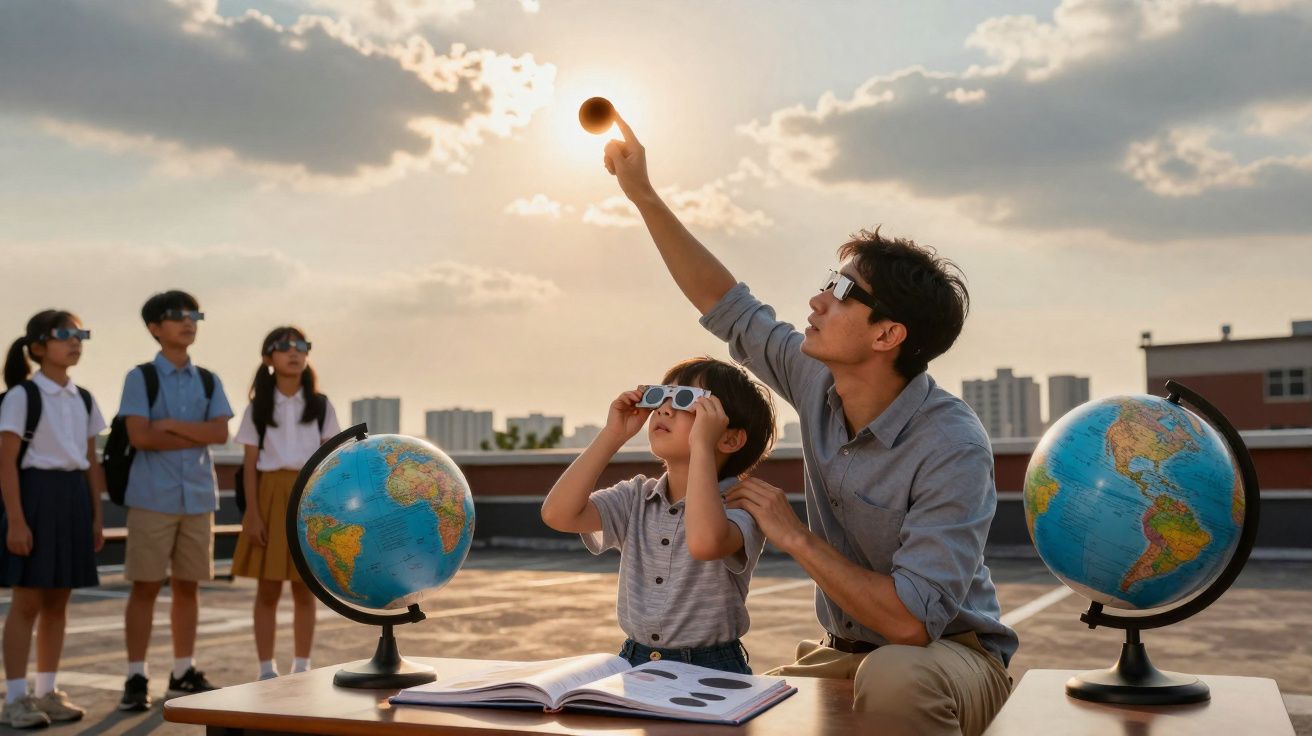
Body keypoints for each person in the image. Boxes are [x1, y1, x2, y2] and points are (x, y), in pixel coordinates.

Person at [601, 117, 1017, 735]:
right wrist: (643, 195)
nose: (818, 299)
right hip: (846, 653)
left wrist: (794, 537)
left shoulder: (950, 444)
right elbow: (727, 304)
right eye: (827, 282)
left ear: (886, 335)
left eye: (843, 290)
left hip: (952, 657)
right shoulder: (815, 378)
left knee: (896, 675)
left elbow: (911, 624)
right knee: (723, 709)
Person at [541, 357, 775, 674]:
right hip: (634, 660)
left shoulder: (740, 503)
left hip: (713, 667)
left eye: (685, 401)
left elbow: (705, 543)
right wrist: (613, 434)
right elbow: (558, 514)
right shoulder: (637, 496)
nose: (664, 409)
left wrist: (702, 446)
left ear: (729, 438)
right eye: (661, 398)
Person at [117, 290, 233, 710]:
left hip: (198, 496)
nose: (188, 322)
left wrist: (169, 424)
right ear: (154, 327)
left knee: (188, 587)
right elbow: (139, 436)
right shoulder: (140, 378)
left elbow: (220, 434)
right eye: (177, 316)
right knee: (144, 587)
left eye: (194, 315)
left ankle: (183, 671)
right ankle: (136, 675)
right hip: (152, 497)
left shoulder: (208, 379)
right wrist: (191, 429)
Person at [0, 311, 106, 728]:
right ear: (39, 345)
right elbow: (6, 463)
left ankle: (47, 690)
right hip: (35, 496)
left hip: (72, 501)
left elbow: (90, 462)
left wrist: (96, 515)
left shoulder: (83, 398)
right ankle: (14, 698)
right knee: (26, 601)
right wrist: (16, 521)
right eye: (65, 334)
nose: (75, 341)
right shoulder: (21, 396)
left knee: (59, 601)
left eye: (81, 333)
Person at [231, 326, 340, 682]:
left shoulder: (320, 405)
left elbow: (332, 460)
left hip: (311, 495)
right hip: (269, 492)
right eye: (284, 347)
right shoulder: (257, 408)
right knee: (268, 587)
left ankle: (302, 666)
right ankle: (266, 669)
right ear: (269, 358)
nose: (294, 352)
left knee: (305, 587)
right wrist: (253, 514)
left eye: (301, 346)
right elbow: (248, 465)